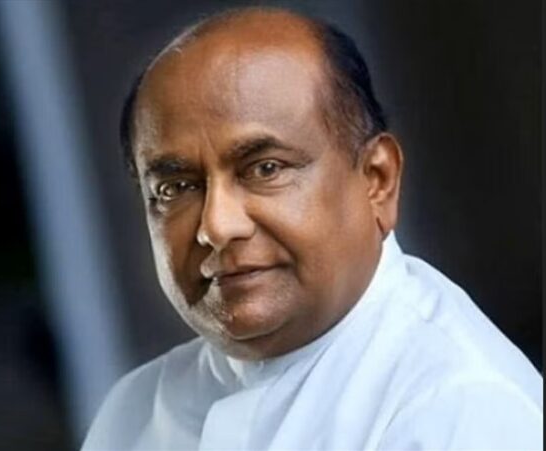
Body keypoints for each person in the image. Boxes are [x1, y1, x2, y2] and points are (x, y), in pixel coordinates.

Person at [82, 7, 542, 450]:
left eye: (265, 168)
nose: (217, 226)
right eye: (176, 187)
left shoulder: (459, 409)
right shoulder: (134, 412)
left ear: (377, 180)